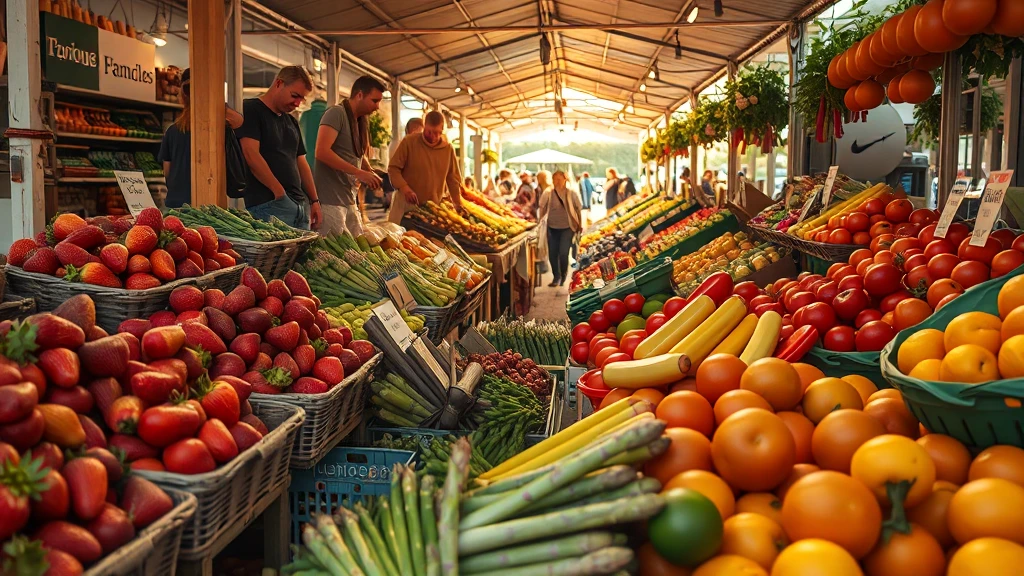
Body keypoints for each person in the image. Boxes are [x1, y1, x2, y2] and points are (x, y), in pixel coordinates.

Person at [237, 65, 321, 229]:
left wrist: (314, 200)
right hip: (269, 205)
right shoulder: (251, 109)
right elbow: (250, 154)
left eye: (302, 99)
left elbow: (301, 162)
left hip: (299, 206)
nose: (297, 103)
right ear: (279, 84)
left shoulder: (291, 121)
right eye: (294, 96)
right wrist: (279, 192)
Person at [158, 68, 244, 208]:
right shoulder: (214, 129)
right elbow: (238, 121)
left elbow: (167, 171)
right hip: (207, 203)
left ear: (182, 95)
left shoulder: (172, 131)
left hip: (176, 202)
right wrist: (215, 101)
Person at [313, 75, 385, 236]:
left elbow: (356, 154)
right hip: (330, 200)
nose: (377, 107)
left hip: (349, 198)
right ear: (359, 95)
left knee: (357, 244)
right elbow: (321, 152)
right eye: (374, 101)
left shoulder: (360, 121)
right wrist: (358, 172)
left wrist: (368, 170)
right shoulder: (336, 113)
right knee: (334, 248)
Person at [387, 110, 464, 224]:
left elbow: (453, 179)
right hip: (405, 205)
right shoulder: (409, 142)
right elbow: (393, 168)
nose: (433, 136)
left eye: (437, 133)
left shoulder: (448, 149)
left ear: (442, 129)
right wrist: (405, 188)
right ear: (424, 126)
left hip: (431, 211)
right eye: (429, 132)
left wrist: (457, 203)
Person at [539, 170, 583, 288]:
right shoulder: (548, 193)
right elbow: (542, 207)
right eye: (555, 179)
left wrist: (580, 224)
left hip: (567, 227)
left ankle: (563, 274)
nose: (557, 182)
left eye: (559, 179)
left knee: (563, 253)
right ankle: (556, 277)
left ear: (565, 180)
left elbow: (578, 209)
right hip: (552, 227)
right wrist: (541, 223)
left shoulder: (571, 193)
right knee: (552, 253)